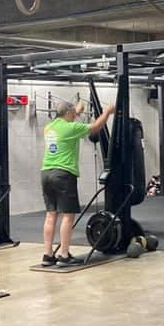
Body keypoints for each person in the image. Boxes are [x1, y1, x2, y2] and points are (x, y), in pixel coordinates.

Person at [41, 100, 113, 267]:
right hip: (63, 174)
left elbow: (67, 122)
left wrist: (76, 111)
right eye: (73, 112)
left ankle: (47, 254)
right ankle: (64, 255)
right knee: (68, 215)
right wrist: (107, 112)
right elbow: (95, 127)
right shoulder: (71, 128)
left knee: (51, 214)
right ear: (68, 113)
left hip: (46, 172)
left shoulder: (50, 127)